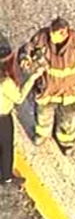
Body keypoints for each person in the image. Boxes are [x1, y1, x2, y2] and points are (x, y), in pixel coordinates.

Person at [21, 17, 75, 156]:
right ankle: (41, 136)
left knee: (68, 120)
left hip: (70, 92)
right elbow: (28, 48)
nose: (51, 37)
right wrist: (25, 57)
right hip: (47, 89)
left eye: (54, 34)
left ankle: (66, 143)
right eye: (50, 33)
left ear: (64, 33)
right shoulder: (42, 37)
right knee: (43, 116)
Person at [1, 43, 47, 186]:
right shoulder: (5, 82)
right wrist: (32, 78)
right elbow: (19, 98)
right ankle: (6, 176)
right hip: (2, 118)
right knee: (7, 146)